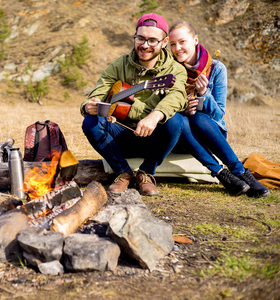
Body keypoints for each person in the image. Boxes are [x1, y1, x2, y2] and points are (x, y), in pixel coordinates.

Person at [81, 13, 188, 196]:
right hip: (121, 135)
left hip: (156, 138)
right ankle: (123, 172)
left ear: (164, 42)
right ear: (135, 37)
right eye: (141, 38)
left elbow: (177, 96)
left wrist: (155, 116)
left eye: (152, 40)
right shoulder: (118, 65)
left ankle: (146, 173)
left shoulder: (175, 69)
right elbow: (97, 93)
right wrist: (89, 106)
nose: (145, 45)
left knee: (175, 120)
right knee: (90, 121)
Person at [169, 21, 269, 197]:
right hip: (181, 137)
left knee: (199, 118)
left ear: (195, 40)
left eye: (182, 42)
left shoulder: (216, 68)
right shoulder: (170, 71)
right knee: (184, 120)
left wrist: (204, 93)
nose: (177, 48)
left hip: (210, 133)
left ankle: (240, 172)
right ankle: (223, 175)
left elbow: (219, 113)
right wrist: (185, 111)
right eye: (172, 44)